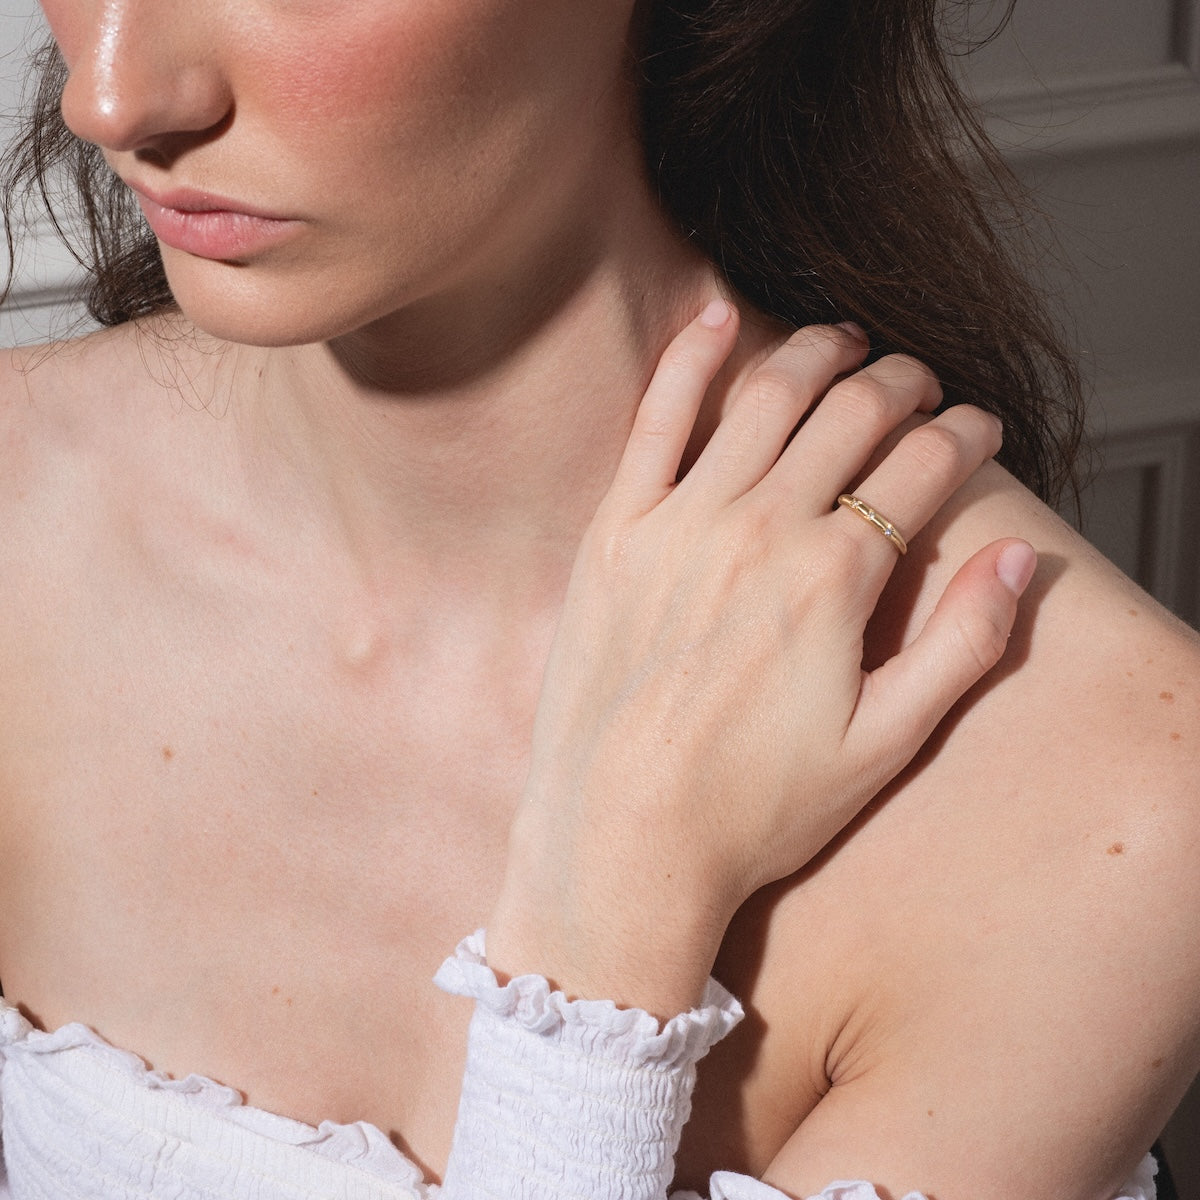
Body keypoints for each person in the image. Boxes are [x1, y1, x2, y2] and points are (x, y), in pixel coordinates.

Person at [0, 2, 1197, 1199]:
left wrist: (599, 943)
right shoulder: (19, 504)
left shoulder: (1112, 787)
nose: (108, 99)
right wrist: (603, 929)